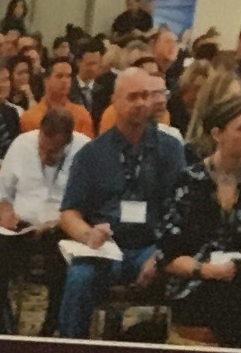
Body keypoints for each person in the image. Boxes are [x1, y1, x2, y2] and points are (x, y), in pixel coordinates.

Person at [51, 66, 190, 336]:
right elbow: (69, 212)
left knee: (184, 272)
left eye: (146, 96)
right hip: (107, 248)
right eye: (133, 96)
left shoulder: (170, 149)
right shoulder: (91, 154)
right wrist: (88, 234)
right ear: (115, 100)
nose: (141, 103)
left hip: (152, 245)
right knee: (80, 278)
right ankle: (68, 351)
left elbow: (182, 210)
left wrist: (162, 253)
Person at [158, 92, 241, 345]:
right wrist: (206, 270)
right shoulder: (189, 182)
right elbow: (168, 256)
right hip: (198, 282)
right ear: (217, 134)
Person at [0, 100, 84, 332]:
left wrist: (56, 222)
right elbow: (2, 194)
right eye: (41, 148)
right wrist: (6, 215)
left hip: (62, 228)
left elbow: (87, 204)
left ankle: (50, 330)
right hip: (21, 226)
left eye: (51, 152)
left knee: (66, 266)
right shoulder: (23, 144)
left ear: (68, 141)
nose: (43, 156)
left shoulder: (85, 151)